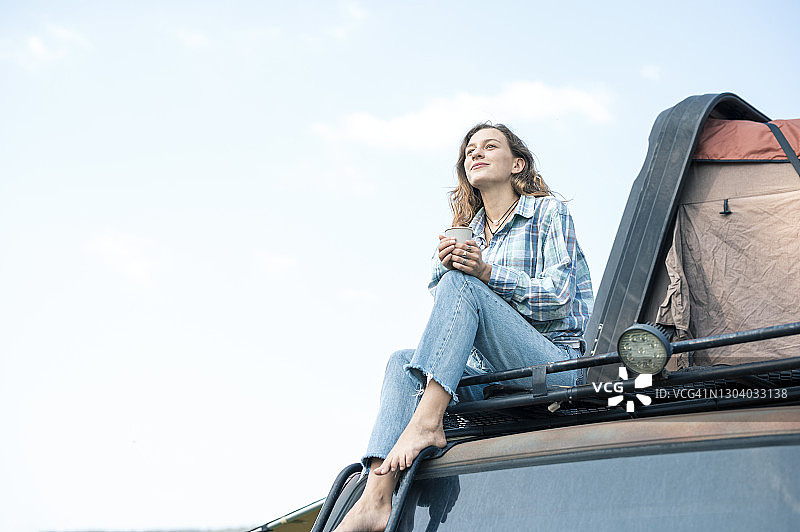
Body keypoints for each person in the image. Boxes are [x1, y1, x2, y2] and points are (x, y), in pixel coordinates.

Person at [334, 123, 594, 532]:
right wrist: (444, 269)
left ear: (517, 164)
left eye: (490, 146)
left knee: (463, 284)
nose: (476, 153)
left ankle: (426, 422)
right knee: (402, 361)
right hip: (494, 375)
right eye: (470, 149)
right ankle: (376, 497)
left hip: (555, 367)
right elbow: (450, 318)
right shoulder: (468, 233)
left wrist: (486, 273)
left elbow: (558, 297)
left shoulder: (547, 212)